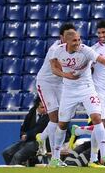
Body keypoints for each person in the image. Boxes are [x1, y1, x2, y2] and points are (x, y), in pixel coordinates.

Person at [49, 30, 105, 167]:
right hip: (68, 91)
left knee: (97, 118)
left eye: (79, 39)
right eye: (74, 40)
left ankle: (104, 156)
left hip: (87, 88)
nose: (78, 43)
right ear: (66, 42)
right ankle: (55, 158)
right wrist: (65, 75)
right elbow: (53, 68)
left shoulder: (85, 50)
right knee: (62, 124)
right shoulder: (56, 51)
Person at [35, 23, 76, 156]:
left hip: (60, 84)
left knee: (63, 118)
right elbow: (59, 69)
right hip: (46, 83)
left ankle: (41, 138)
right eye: (67, 35)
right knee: (54, 118)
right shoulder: (55, 49)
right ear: (61, 37)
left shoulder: (75, 47)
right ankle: (55, 156)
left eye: (73, 35)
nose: (71, 38)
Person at [2, 98, 49, 165]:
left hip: (38, 143)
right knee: (6, 153)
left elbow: (39, 130)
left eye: (45, 107)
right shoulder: (31, 112)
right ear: (37, 107)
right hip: (27, 140)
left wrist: (27, 135)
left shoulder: (48, 116)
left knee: (17, 156)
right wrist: (22, 135)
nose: (45, 109)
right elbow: (23, 127)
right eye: (42, 107)